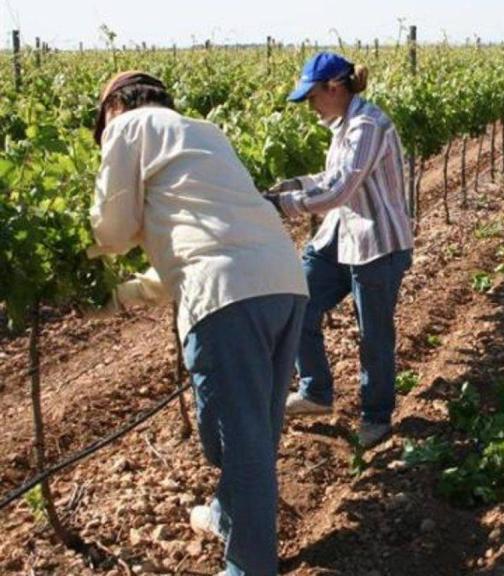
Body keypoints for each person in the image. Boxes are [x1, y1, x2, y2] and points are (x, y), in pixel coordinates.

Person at [90, 71, 309, 576]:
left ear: (115, 108)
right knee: (256, 432)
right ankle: (228, 516)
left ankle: (250, 567)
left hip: (227, 299)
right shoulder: (203, 132)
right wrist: (125, 295)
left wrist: (73, 267)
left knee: (237, 442)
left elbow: (113, 231)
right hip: (283, 283)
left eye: (101, 127)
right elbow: (194, 245)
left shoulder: (127, 128)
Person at [263, 52, 414, 448]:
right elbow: (330, 177)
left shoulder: (367, 125)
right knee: (296, 303)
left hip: (377, 243)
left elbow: (339, 189)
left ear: (334, 87)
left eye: (312, 97)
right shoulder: (343, 125)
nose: (309, 107)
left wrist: (282, 207)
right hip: (339, 236)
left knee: (373, 335)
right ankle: (316, 392)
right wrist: (290, 185)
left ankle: (376, 417)